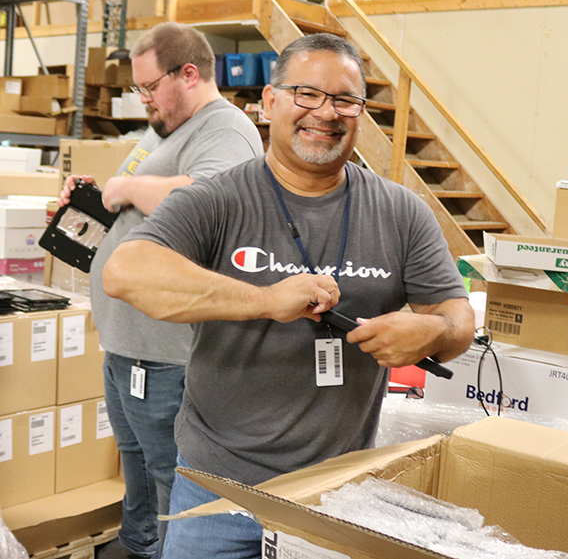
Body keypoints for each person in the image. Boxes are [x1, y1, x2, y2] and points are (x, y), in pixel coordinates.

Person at [102, 33, 475, 558]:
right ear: (270, 102)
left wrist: (431, 332)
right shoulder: (220, 197)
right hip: (217, 487)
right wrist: (263, 299)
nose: (326, 113)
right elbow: (126, 273)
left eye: (344, 99)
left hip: (338, 492)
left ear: (360, 114)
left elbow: (458, 320)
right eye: (307, 94)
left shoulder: (401, 212)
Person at [57, 22, 264, 559]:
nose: (143, 99)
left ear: (188, 73)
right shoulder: (167, 126)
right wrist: (97, 197)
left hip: (165, 355)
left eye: (149, 87)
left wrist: (127, 187)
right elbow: (133, 202)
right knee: (137, 464)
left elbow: (209, 197)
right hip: (127, 345)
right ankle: (139, 546)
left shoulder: (226, 129)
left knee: (170, 475)